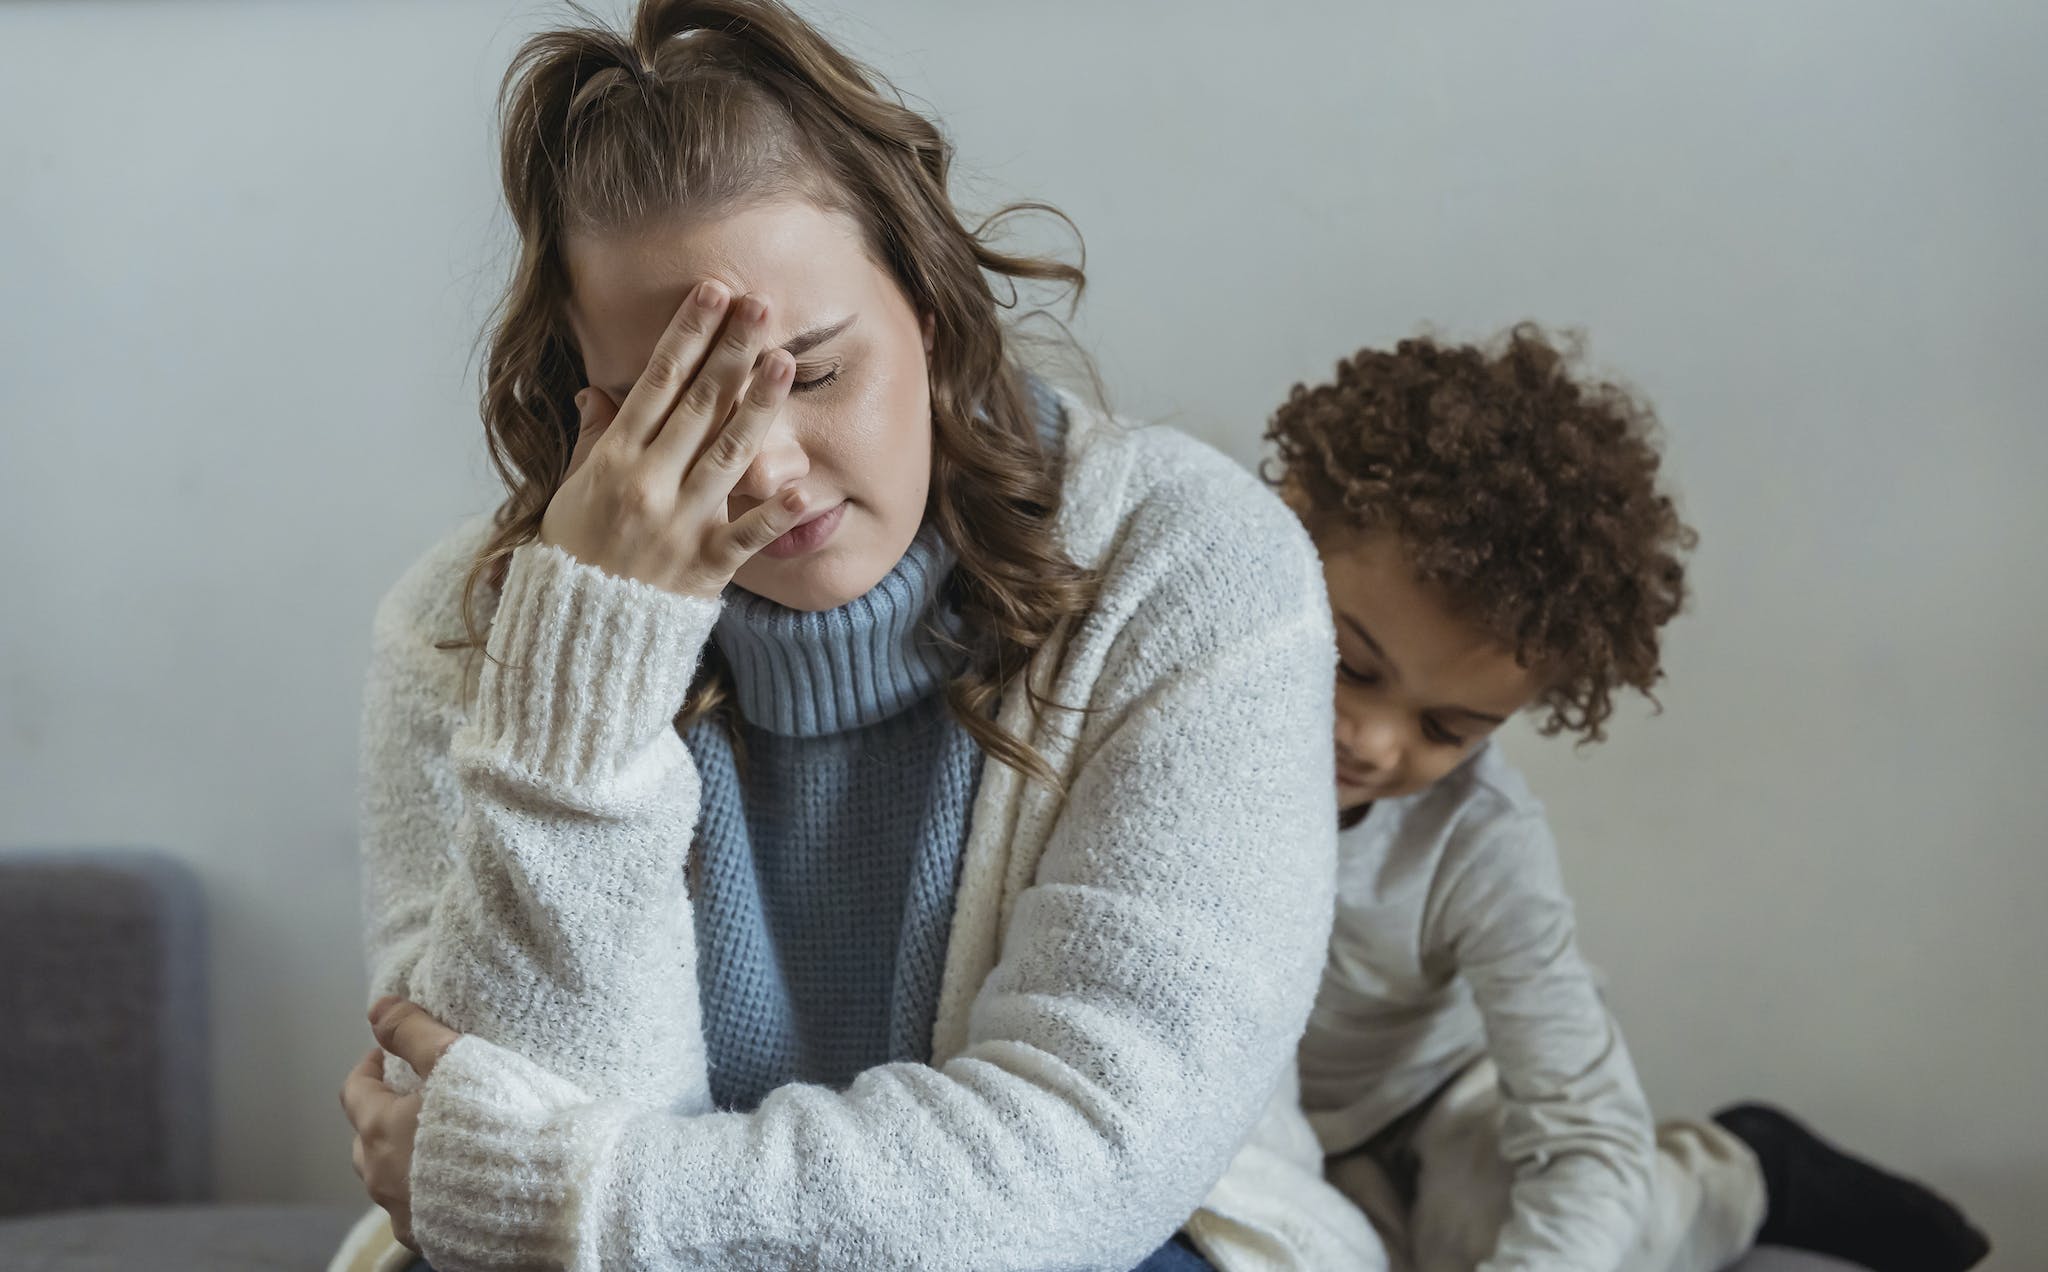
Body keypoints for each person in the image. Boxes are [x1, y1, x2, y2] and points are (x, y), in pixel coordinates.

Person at [331, 2, 1383, 1269]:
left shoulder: (1187, 566)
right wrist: (591, 660)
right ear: (591, 403)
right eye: (677, 408)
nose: (766, 472)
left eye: (815, 375)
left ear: (929, 307)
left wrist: (576, 1202)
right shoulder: (467, 629)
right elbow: (502, 1133)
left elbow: (1075, 1164)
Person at [1266, 324, 1992, 1272]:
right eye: (1351, 665)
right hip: (1267, 1128)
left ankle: (1744, 1169)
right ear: (1282, 522)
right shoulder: (1164, 711)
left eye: (1447, 729)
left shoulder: (1478, 843)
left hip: (1438, 1098)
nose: (1372, 739)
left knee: (1558, 1228)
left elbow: (1584, 1131)